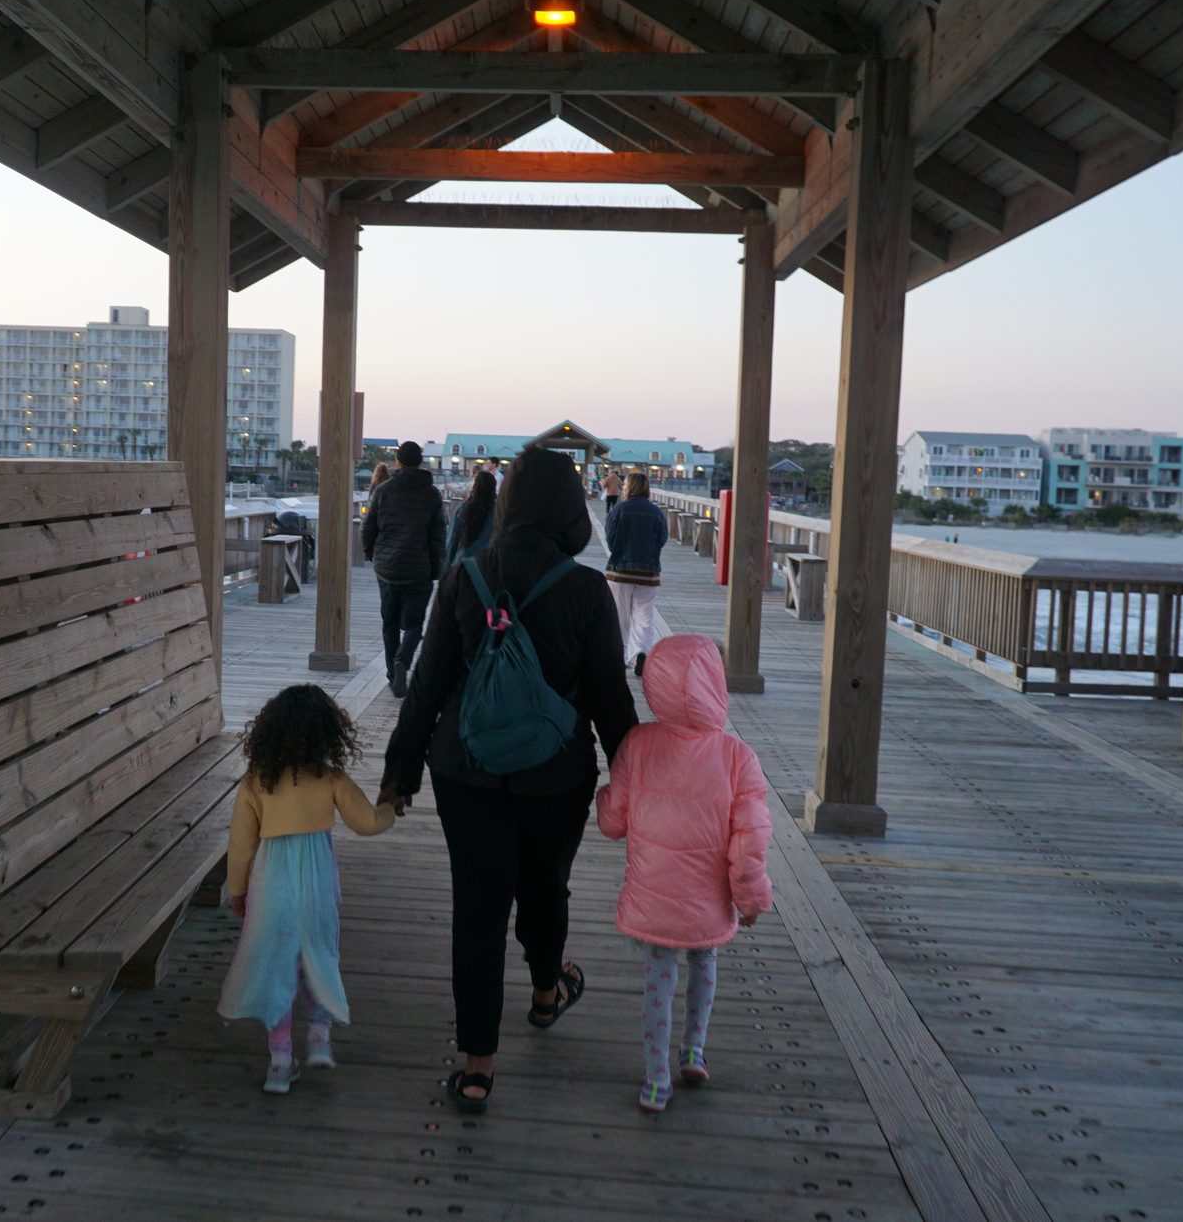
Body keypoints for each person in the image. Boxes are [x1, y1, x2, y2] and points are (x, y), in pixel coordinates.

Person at [381, 447, 638, 1115]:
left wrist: (399, 771)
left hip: (465, 768)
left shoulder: (465, 575)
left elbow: (428, 683)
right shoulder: (586, 590)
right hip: (556, 775)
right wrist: (637, 789)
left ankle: (476, 1068)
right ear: (569, 507)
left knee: (479, 908)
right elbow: (611, 701)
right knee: (545, 886)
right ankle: (548, 994)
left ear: (507, 503)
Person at [596, 634, 773, 1113]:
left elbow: (613, 822)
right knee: (704, 963)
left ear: (655, 684)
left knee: (659, 979)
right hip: (708, 898)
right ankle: (694, 1050)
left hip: (654, 896)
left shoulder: (638, 743)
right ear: (716, 687)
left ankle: (656, 1080)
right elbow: (751, 840)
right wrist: (751, 900)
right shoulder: (738, 758)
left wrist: (602, 800)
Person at [218, 685, 398, 1094]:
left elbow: (241, 847)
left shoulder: (255, 783)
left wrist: (239, 892)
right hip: (317, 884)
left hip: (271, 885)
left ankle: (280, 1062)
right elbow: (367, 823)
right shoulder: (331, 778)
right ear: (327, 733)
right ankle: (319, 1037)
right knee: (318, 954)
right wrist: (391, 807)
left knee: (276, 966)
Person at [362, 441, 446, 697]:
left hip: (386, 569)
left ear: (397, 461)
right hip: (417, 569)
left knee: (389, 622)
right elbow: (437, 536)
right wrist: (435, 569)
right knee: (413, 624)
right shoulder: (432, 494)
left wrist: (371, 555)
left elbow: (368, 528)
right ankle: (403, 661)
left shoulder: (383, 490)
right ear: (420, 462)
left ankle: (391, 673)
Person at [605, 471, 667, 677]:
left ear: (629, 487)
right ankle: (641, 653)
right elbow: (662, 539)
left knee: (619, 616)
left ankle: (619, 658)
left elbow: (610, 537)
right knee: (644, 617)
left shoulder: (620, 509)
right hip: (649, 573)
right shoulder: (656, 512)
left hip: (620, 572)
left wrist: (620, 551)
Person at [443, 470, 497, 569]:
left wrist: (446, 570)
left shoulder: (463, 509)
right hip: (488, 567)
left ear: (474, 487)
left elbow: (451, 542)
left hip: (462, 564)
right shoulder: (498, 513)